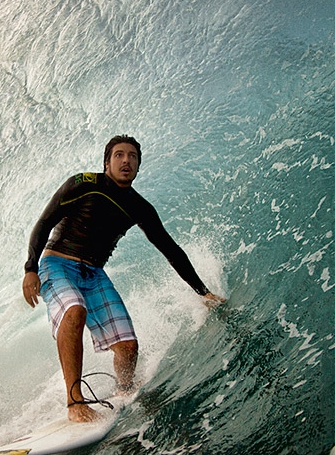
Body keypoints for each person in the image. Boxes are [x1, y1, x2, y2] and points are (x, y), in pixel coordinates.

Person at [22, 135, 224, 422]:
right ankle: (74, 403)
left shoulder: (139, 207)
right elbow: (44, 222)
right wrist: (31, 268)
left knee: (128, 347)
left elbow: (170, 249)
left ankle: (124, 391)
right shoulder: (82, 184)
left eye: (132, 156)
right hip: (57, 264)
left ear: (139, 166)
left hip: (93, 273)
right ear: (107, 162)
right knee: (74, 311)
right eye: (118, 155)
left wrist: (202, 291)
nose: (126, 160)